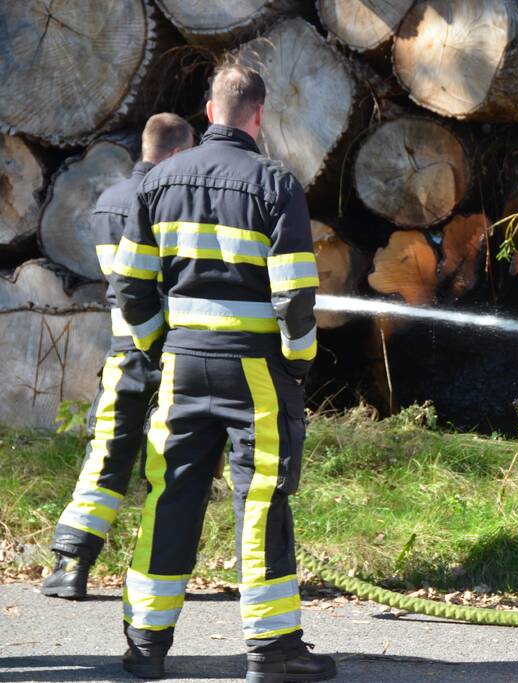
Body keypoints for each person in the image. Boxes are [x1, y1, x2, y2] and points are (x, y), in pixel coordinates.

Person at [110, 63, 332, 682]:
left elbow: (129, 283)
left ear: (210, 112)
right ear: (258, 115)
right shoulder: (274, 183)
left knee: (170, 493)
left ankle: (146, 645)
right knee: (260, 497)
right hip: (254, 370)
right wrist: (299, 361)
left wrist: (160, 346)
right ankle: (272, 651)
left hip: (182, 366)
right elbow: (293, 294)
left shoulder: (157, 181)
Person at [42, 113, 194, 600]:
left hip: (124, 348)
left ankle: (71, 563)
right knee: (173, 459)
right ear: (176, 152)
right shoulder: (179, 200)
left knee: (107, 452)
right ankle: (154, 570)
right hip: (177, 348)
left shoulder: (107, 202)